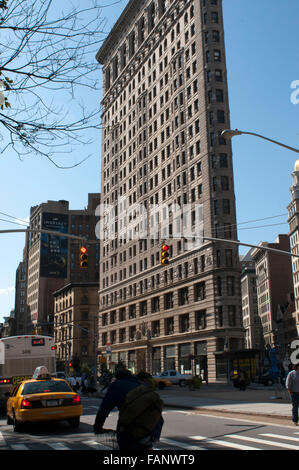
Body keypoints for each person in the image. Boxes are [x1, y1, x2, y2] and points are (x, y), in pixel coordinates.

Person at [93, 369, 163, 451]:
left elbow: (104, 409)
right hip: (153, 427)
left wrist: (98, 426)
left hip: (133, 429)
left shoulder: (116, 385)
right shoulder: (140, 384)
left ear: (118, 377)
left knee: (124, 437)